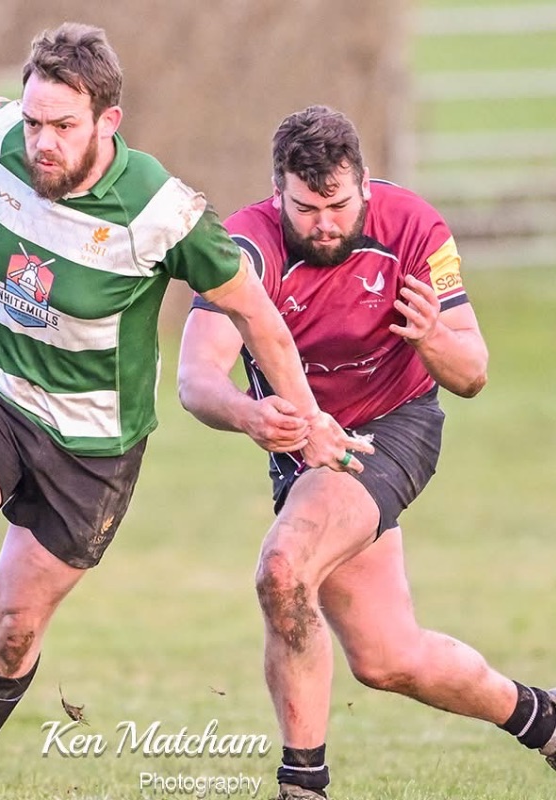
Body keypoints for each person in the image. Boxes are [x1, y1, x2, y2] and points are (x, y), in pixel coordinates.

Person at [0, 28, 373, 800]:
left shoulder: (160, 213)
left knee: (11, 631)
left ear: (108, 121)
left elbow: (257, 316)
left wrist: (309, 417)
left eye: (62, 126)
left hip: (93, 449)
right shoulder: (6, 139)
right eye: (34, 121)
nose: (41, 141)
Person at [177, 104, 556, 800]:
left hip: (394, 424)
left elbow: (473, 373)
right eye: (306, 207)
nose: (324, 222)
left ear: (366, 186)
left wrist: (431, 337)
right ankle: (545, 721)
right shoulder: (245, 245)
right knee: (388, 658)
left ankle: (302, 785)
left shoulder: (413, 228)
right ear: (276, 190)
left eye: (339, 205)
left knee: (283, 569)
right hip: (306, 452)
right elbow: (196, 378)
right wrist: (246, 412)